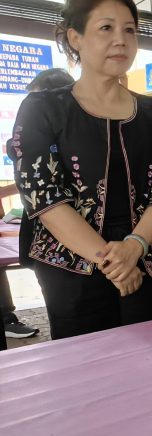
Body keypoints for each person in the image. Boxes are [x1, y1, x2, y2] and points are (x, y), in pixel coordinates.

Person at [10, 0, 152, 339]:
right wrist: (113, 262)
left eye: (129, 30)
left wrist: (135, 247)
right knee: (87, 373)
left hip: (146, 255)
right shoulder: (43, 109)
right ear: (75, 37)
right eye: (106, 28)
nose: (121, 40)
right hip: (72, 265)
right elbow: (45, 197)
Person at [0, 69, 80, 339]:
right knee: (64, 322)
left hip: (78, 242)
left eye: (37, 103)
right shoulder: (27, 140)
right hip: (47, 248)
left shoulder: (77, 135)